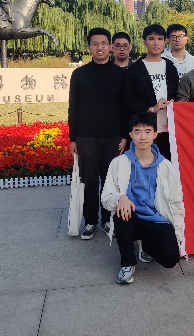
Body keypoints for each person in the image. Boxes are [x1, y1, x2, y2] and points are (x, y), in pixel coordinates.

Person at [101, 111, 185, 284]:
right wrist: (120, 198)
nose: (142, 137)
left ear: (155, 134)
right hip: (131, 218)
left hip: (156, 219)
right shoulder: (118, 163)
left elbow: (177, 202)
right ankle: (127, 264)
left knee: (171, 259)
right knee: (121, 215)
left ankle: (147, 246)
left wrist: (177, 236)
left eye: (147, 131)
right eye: (137, 131)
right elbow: (106, 198)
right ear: (131, 135)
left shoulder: (166, 166)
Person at [68, 27, 127, 240]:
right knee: (90, 180)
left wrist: (124, 135)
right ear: (89, 47)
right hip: (86, 136)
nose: (99, 48)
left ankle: (108, 219)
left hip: (113, 136)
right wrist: (72, 139)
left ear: (110, 47)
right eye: (95, 44)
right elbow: (73, 107)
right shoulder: (79, 74)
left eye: (103, 43)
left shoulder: (121, 74)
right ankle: (91, 221)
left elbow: (125, 107)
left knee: (110, 180)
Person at [123, 24, 178, 160]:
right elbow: (127, 100)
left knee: (167, 165)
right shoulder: (135, 69)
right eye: (151, 39)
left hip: (169, 129)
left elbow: (177, 93)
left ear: (165, 42)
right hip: (146, 129)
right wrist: (151, 108)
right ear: (145, 42)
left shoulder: (170, 66)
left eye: (160, 39)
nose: (156, 43)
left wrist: (174, 102)